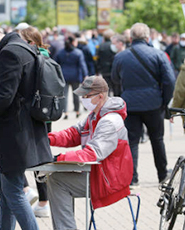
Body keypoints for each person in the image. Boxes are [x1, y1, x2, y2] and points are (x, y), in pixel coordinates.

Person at [0, 22, 53, 229]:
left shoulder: (9, 52)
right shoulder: (25, 46)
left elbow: (4, 96)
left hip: (16, 132)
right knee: (5, 188)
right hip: (29, 128)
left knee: (13, 191)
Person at [47, 75, 133, 230]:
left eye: (86, 96)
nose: (83, 99)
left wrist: (58, 158)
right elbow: (73, 134)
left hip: (109, 179)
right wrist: (46, 139)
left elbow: (92, 154)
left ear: (100, 96)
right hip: (101, 172)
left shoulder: (109, 121)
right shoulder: (95, 115)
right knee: (57, 178)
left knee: (57, 181)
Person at [111, 22, 175, 188]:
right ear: (148, 37)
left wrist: (122, 95)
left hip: (130, 104)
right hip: (154, 104)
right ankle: (162, 175)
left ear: (131, 38)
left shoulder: (120, 56)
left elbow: (115, 79)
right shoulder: (158, 55)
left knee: (132, 141)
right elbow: (169, 81)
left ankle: (132, 178)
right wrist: (164, 101)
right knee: (157, 139)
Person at [19, 26, 51, 217]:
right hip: (46, 114)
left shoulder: (29, 59)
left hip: (30, 112)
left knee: (16, 151)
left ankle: (24, 189)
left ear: (30, 42)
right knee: (41, 156)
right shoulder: (48, 57)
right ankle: (44, 201)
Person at [55, 35, 88, 119]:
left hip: (63, 76)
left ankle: (65, 112)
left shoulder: (60, 52)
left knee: (64, 95)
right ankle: (77, 111)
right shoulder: (78, 52)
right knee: (76, 94)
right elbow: (82, 65)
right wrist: (85, 75)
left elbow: (55, 64)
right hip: (75, 76)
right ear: (73, 42)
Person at [96, 29, 116, 95]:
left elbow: (97, 59)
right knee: (115, 88)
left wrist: (97, 70)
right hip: (113, 69)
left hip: (104, 69)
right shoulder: (114, 46)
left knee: (106, 88)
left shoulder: (100, 46)